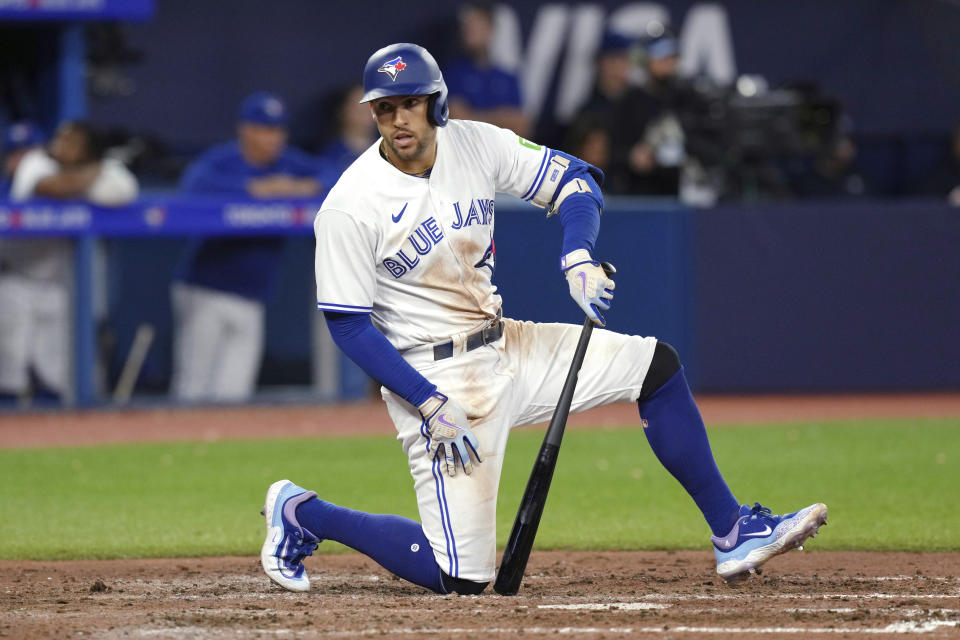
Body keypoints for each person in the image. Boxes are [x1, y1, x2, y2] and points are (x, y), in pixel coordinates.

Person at [259, 43, 827, 596]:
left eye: (411, 102)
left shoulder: (475, 144)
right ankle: (305, 512)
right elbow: (348, 325)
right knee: (458, 577)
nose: (398, 118)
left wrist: (577, 253)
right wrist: (428, 404)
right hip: (435, 382)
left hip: (508, 345)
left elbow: (577, 181)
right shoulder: (350, 205)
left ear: (438, 102)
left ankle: (732, 532)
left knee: (655, 366)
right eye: (385, 107)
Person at [171, 92, 324, 402]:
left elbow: (333, 174)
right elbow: (192, 186)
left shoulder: (287, 163)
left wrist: (296, 187)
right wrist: (252, 189)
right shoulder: (223, 160)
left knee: (234, 392)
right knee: (193, 387)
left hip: (252, 296)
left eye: (278, 130)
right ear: (246, 130)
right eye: (265, 129)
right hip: (206, 288)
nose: (274, 138)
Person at [0, 120, 138, 403]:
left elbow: (124, 191)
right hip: (16, 280)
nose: (63, 145)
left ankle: (54, 434)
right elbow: (53, 187)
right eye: (61, 139)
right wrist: (95, 171)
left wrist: (90, 173)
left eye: (73, 141)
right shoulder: (35, 163)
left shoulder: (103, 168)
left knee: (58, 373)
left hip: (60, 287)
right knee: (9, 367)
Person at [607, 24, 689, 196]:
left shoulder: (686, 99)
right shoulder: (629, 102)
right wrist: (632, 157)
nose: (668, 62)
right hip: (642, 195)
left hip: (683, 193)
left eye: (672, 56)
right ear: (645, 59)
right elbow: (611, 152)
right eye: (661, 55)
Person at [444, 1, 529, 137]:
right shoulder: (454, 73)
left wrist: (474, 116)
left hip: (503, 155)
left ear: (491, 29)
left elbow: (521, 125)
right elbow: (456, 121)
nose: (469, 31)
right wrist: (501, 118)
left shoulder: (507, 77)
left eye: (477, 25)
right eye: (467, 26)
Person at [565, 30, 635, 172]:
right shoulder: (588, 111)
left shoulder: (639, 104)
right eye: (614, 60)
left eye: (625, 59)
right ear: (600, 63)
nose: (620, 67)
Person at [315, 84, 379, 182]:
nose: (367, 115)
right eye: (359, 108)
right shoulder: (328, 155)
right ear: (342, 112)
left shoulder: (397, 152)